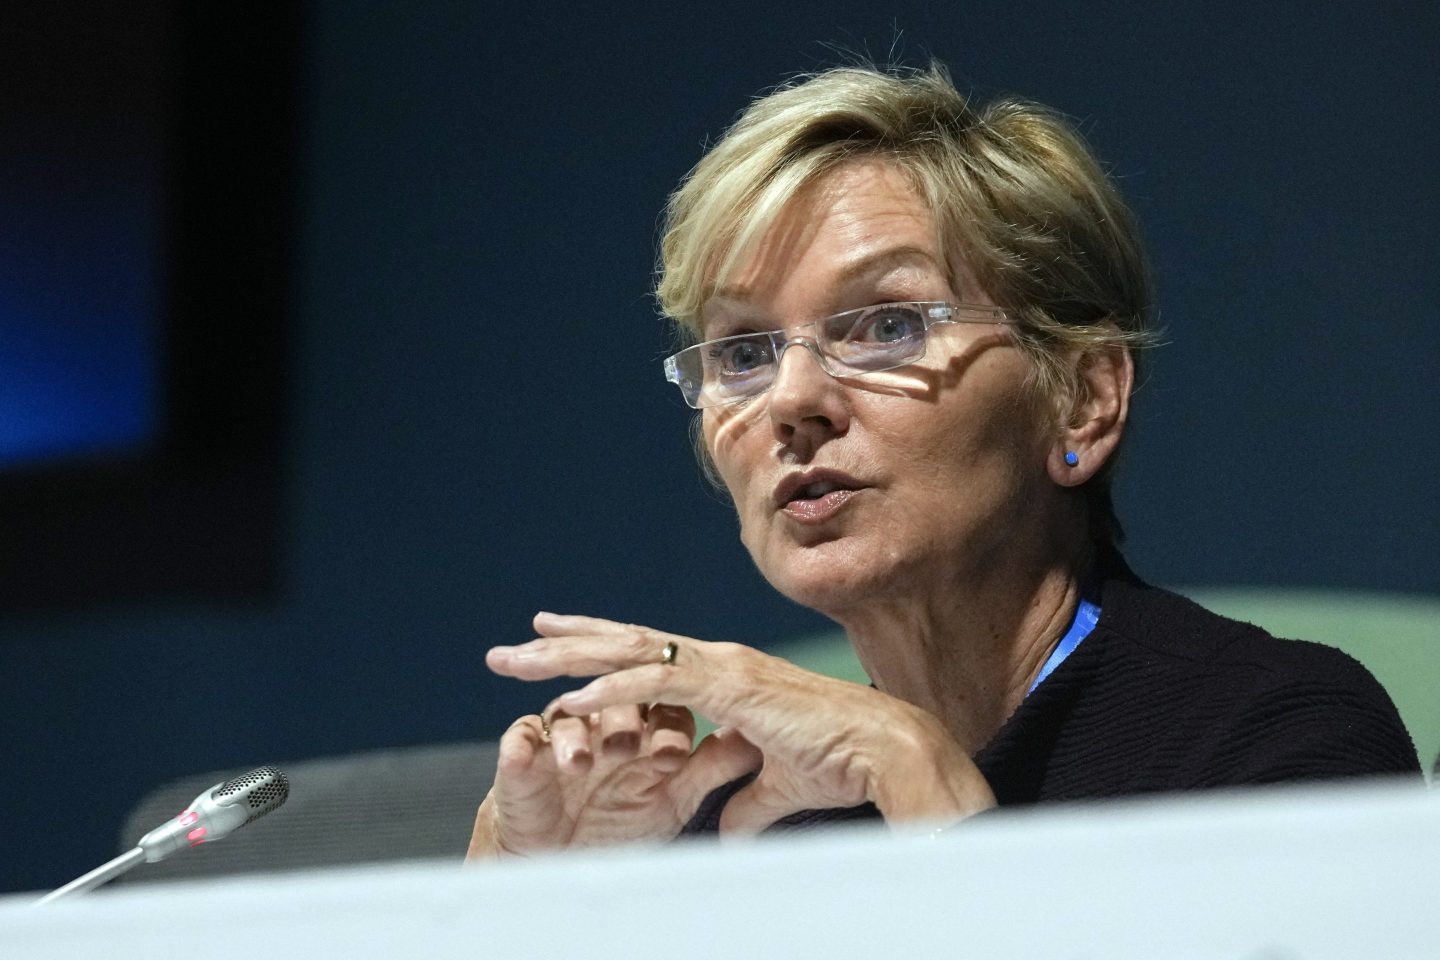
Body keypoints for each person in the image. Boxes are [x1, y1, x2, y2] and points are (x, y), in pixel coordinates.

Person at [467, 63, 1418, 857]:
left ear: (1080, 397)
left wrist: (916, 773)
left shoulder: (1273, 738)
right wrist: (532, 902)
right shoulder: (748, 820)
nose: (792, 401)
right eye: (743, 352)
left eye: (885, 324)